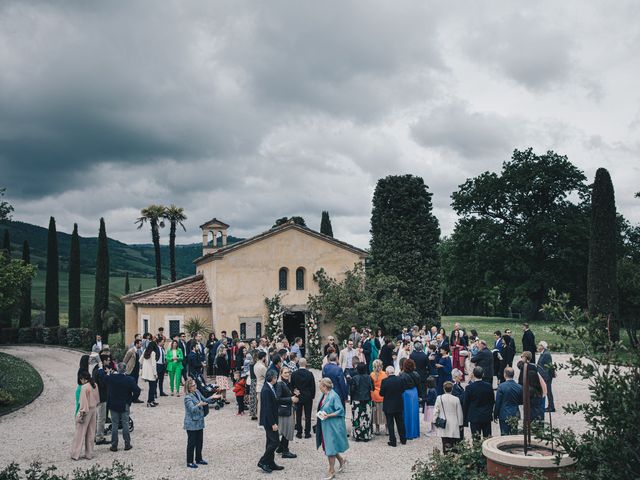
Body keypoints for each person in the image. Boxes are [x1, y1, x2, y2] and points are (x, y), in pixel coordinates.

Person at [99, 362, 140, 451]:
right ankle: (127, 444)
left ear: (117, 369)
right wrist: (131, 400)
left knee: (114, 425)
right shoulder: (129, 379)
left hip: (113, 404)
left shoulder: (111, 378)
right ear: (125, 369)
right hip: (124, 403)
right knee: (125, 424)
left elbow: (102, 376)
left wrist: (100, 367)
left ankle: (114, 445)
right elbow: (137, 390)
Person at [183, 377, 221, 468]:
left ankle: (199, 458)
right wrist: (199, 405)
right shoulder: (187, 398)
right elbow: (192, 409)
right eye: (193, 385)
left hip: (199, 422)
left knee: (200, 441)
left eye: (195, 384)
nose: (195, 386)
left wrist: (212, 397)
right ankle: (189, 461)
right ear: (189, 387)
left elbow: (205, 400)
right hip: (191, 424)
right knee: (191, 443)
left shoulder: (197, 392)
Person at [316, 377, 348, 480]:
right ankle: (341, 460)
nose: (319, 387)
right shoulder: (324, 395)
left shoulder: (334, 396)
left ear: (324, 386)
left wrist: (328, 415)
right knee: (329, 446)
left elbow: (340, 410)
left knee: (330, 448)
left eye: (320, 385)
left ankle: (331, 471)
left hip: (332, 426)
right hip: (325, 425)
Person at [258, 370, 284, 474]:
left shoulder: (269, 387)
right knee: (275, 442)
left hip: (271, 418)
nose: (276, 378)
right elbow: (267, 408)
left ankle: (270, 462)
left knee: (270, 441)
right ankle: (263, 461)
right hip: (269, 420)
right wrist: (273, 423)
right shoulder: (266, 390)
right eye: (276, 377)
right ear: (273, 378)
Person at [71, 371, 100, 460]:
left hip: (86, 411)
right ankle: (89, 453)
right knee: (91, 432)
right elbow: (98, 399)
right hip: (94, 409)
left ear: (83, 379)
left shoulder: (84, 387)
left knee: (80, 433)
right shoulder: (94, 385)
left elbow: (83, 403)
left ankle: (75, 454)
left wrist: (81, 414)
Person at [463, 367, 495, 439]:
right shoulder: (488, 386)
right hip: (486, 415)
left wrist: (465, 418)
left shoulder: (469, 388)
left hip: (474, 417)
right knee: (487, 439)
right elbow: (492, 401)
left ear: (473, 375)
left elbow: (466, 404)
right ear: (483, 374)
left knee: (476, 440)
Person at [274, 366, 299, 459]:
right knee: (286, 430)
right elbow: (277, 399)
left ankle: (281, 447)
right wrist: (291, 399)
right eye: (285, 372)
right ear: (281, 374)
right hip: (284, 411)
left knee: (286, 430)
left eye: (288, 372)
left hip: (287, 410)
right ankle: (285, 451)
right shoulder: (280, 384)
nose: (287, 374)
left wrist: (294, 393)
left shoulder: (287, 383)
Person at [433, 381, 464, 453]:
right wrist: (460, 424)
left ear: (444, 389)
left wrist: (434, 420)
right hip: (454, 423)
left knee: (445, 441)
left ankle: (446, 455)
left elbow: (436, 411)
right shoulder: (456, 399)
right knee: (453, 442)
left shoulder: (439, 398)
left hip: (444, 422)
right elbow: (459, 412)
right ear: (452, 389)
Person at [379, 366, 406, 447]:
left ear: (387, 373)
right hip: (398, 403)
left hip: (389, 405)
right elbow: (403, 390)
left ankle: (393, 440)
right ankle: (403, 439)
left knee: (390, 423)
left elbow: (381, 393)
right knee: (400, 422)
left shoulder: (385, 381)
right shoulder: (400, 379)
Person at [517, 351, 547, 421]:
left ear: (525, 357)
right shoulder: (532, 367)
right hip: (533, 392)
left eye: (522, 357)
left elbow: (520, 365)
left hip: (530, 392)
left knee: (531, 412)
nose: (521, 358)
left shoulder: (527, 367)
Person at [291, 357, 316, 439]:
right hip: (308, 396)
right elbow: (313, 387)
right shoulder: (310, 374)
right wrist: (312, 396)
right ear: (306, 364)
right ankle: (307, 433)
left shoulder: (294, 374)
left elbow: (292, 386)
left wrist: (294, 393)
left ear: (298, 364)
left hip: (298, 396)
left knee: (298, 415)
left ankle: (299, 432)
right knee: (308, 415)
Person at [493, 367, 523, 435]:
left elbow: (498, 402)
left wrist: (495, 414)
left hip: (504, 413)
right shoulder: (519, 387)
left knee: (504, 435)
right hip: (515, 412)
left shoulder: (501, 386)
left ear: (505, 375)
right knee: (514, 435)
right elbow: (521, 401)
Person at [349, 362, 373, 442]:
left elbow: (352, 390)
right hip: (366, 400)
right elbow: (371, 388)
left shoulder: (355, 378)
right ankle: (366, 435)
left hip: (357, 400)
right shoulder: (369, 377)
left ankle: (357, 436)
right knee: (366, 418)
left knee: (356, 418)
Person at [399, 358, 420, 440]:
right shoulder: (416, 374)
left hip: (405, 393)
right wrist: (420, 395)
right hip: (414, 393)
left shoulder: (402, 375)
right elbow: (419, 386)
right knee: (414, 412)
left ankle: (406, 432)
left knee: (406, 413)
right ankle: (414, 432)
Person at [92, 354, 110, 445]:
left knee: (97, 417)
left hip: (96, 396)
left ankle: (95, 435)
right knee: (101, 418)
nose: (109, 362)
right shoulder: (100, 371)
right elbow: (104, 382)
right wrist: (107, 374)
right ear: (103, 361)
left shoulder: (95, 370)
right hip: (101, 396)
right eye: (108, 360)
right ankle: (99, 437)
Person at [370, 359, 387, 435]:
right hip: (383, 395)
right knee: (385, 413)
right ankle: (387, 429)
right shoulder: (384, 374)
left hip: (374, 395)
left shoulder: (372, 375)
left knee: (376, 413)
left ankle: (377, 429)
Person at [537, 341, 555, 412]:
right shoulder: (543, 353)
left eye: (539, 345)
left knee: (548, 391)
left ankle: (551, 407)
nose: (538, 347)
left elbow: (548, 366)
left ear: (542, 346)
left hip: (546, 376)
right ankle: (550, 406)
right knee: (547, 391)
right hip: (544, 375)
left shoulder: (546, 354)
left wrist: (546, 377)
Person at [410, 342, 429, 408]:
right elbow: (427, 366)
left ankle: (416, 405)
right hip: (423, 375)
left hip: (414, 375)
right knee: (423, 391)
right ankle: (423, 406)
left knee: (415, 390)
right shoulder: (424, 355)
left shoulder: (412, 355)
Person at [140, 343, 158, 407]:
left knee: (151, 387)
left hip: (146, 372)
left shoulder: (145, 351)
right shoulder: (153, 353)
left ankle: (152, 400)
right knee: (152, 388)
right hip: (151, 372)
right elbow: (153, 365)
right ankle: (150, 401)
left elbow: (140, 360)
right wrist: (155, 373)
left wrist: (145, 364)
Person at [254, 351, 268, 420]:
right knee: (261, 405)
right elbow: (267, 376)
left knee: (260, 404)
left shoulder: (256, 365)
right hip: (262, 386)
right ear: (263, 358)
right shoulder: (262, 367)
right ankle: (261, 420)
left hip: (258, 385)